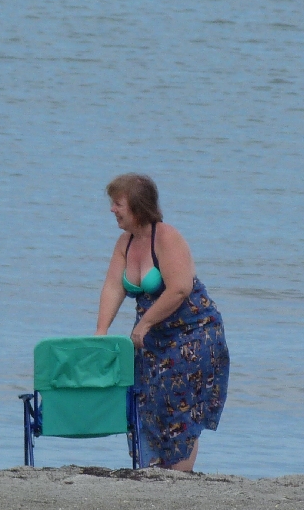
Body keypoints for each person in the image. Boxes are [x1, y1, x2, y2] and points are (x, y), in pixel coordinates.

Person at [95, 173, 229, 471]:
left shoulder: (167, 237)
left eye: (118, 203)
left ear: (138, 206)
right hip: (153, 338)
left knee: (180, 410)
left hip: (193, 334)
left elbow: (179, 288)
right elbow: (114, 286)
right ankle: (151, 471)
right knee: (146, 403)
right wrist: (101, 332)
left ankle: (179, 475)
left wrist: (143, 325)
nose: (112, 210)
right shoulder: (125, 243)